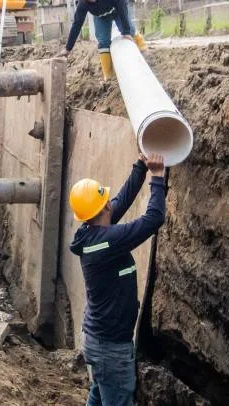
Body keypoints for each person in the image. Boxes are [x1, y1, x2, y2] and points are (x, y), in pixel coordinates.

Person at [69, 153, 166, 406]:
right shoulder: (109, 240)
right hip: (110, 348)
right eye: (107, 201)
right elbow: (153, 219)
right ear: (104, 208)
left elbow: (120, 201)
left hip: (97, 339)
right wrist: (158, 176)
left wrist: (141, 167)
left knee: (100, 393)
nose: (112, 203)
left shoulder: (89, 234)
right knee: (115, 398)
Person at [58, 0, 146, 80]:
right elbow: (77, 24)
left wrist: (126, 32)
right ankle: (108, 76)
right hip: (101, 17)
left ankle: (143, 50)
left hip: (117, 10)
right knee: (103, 41)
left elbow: (122, 8)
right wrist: (68, 48)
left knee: (130, 31)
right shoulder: (83, 3)